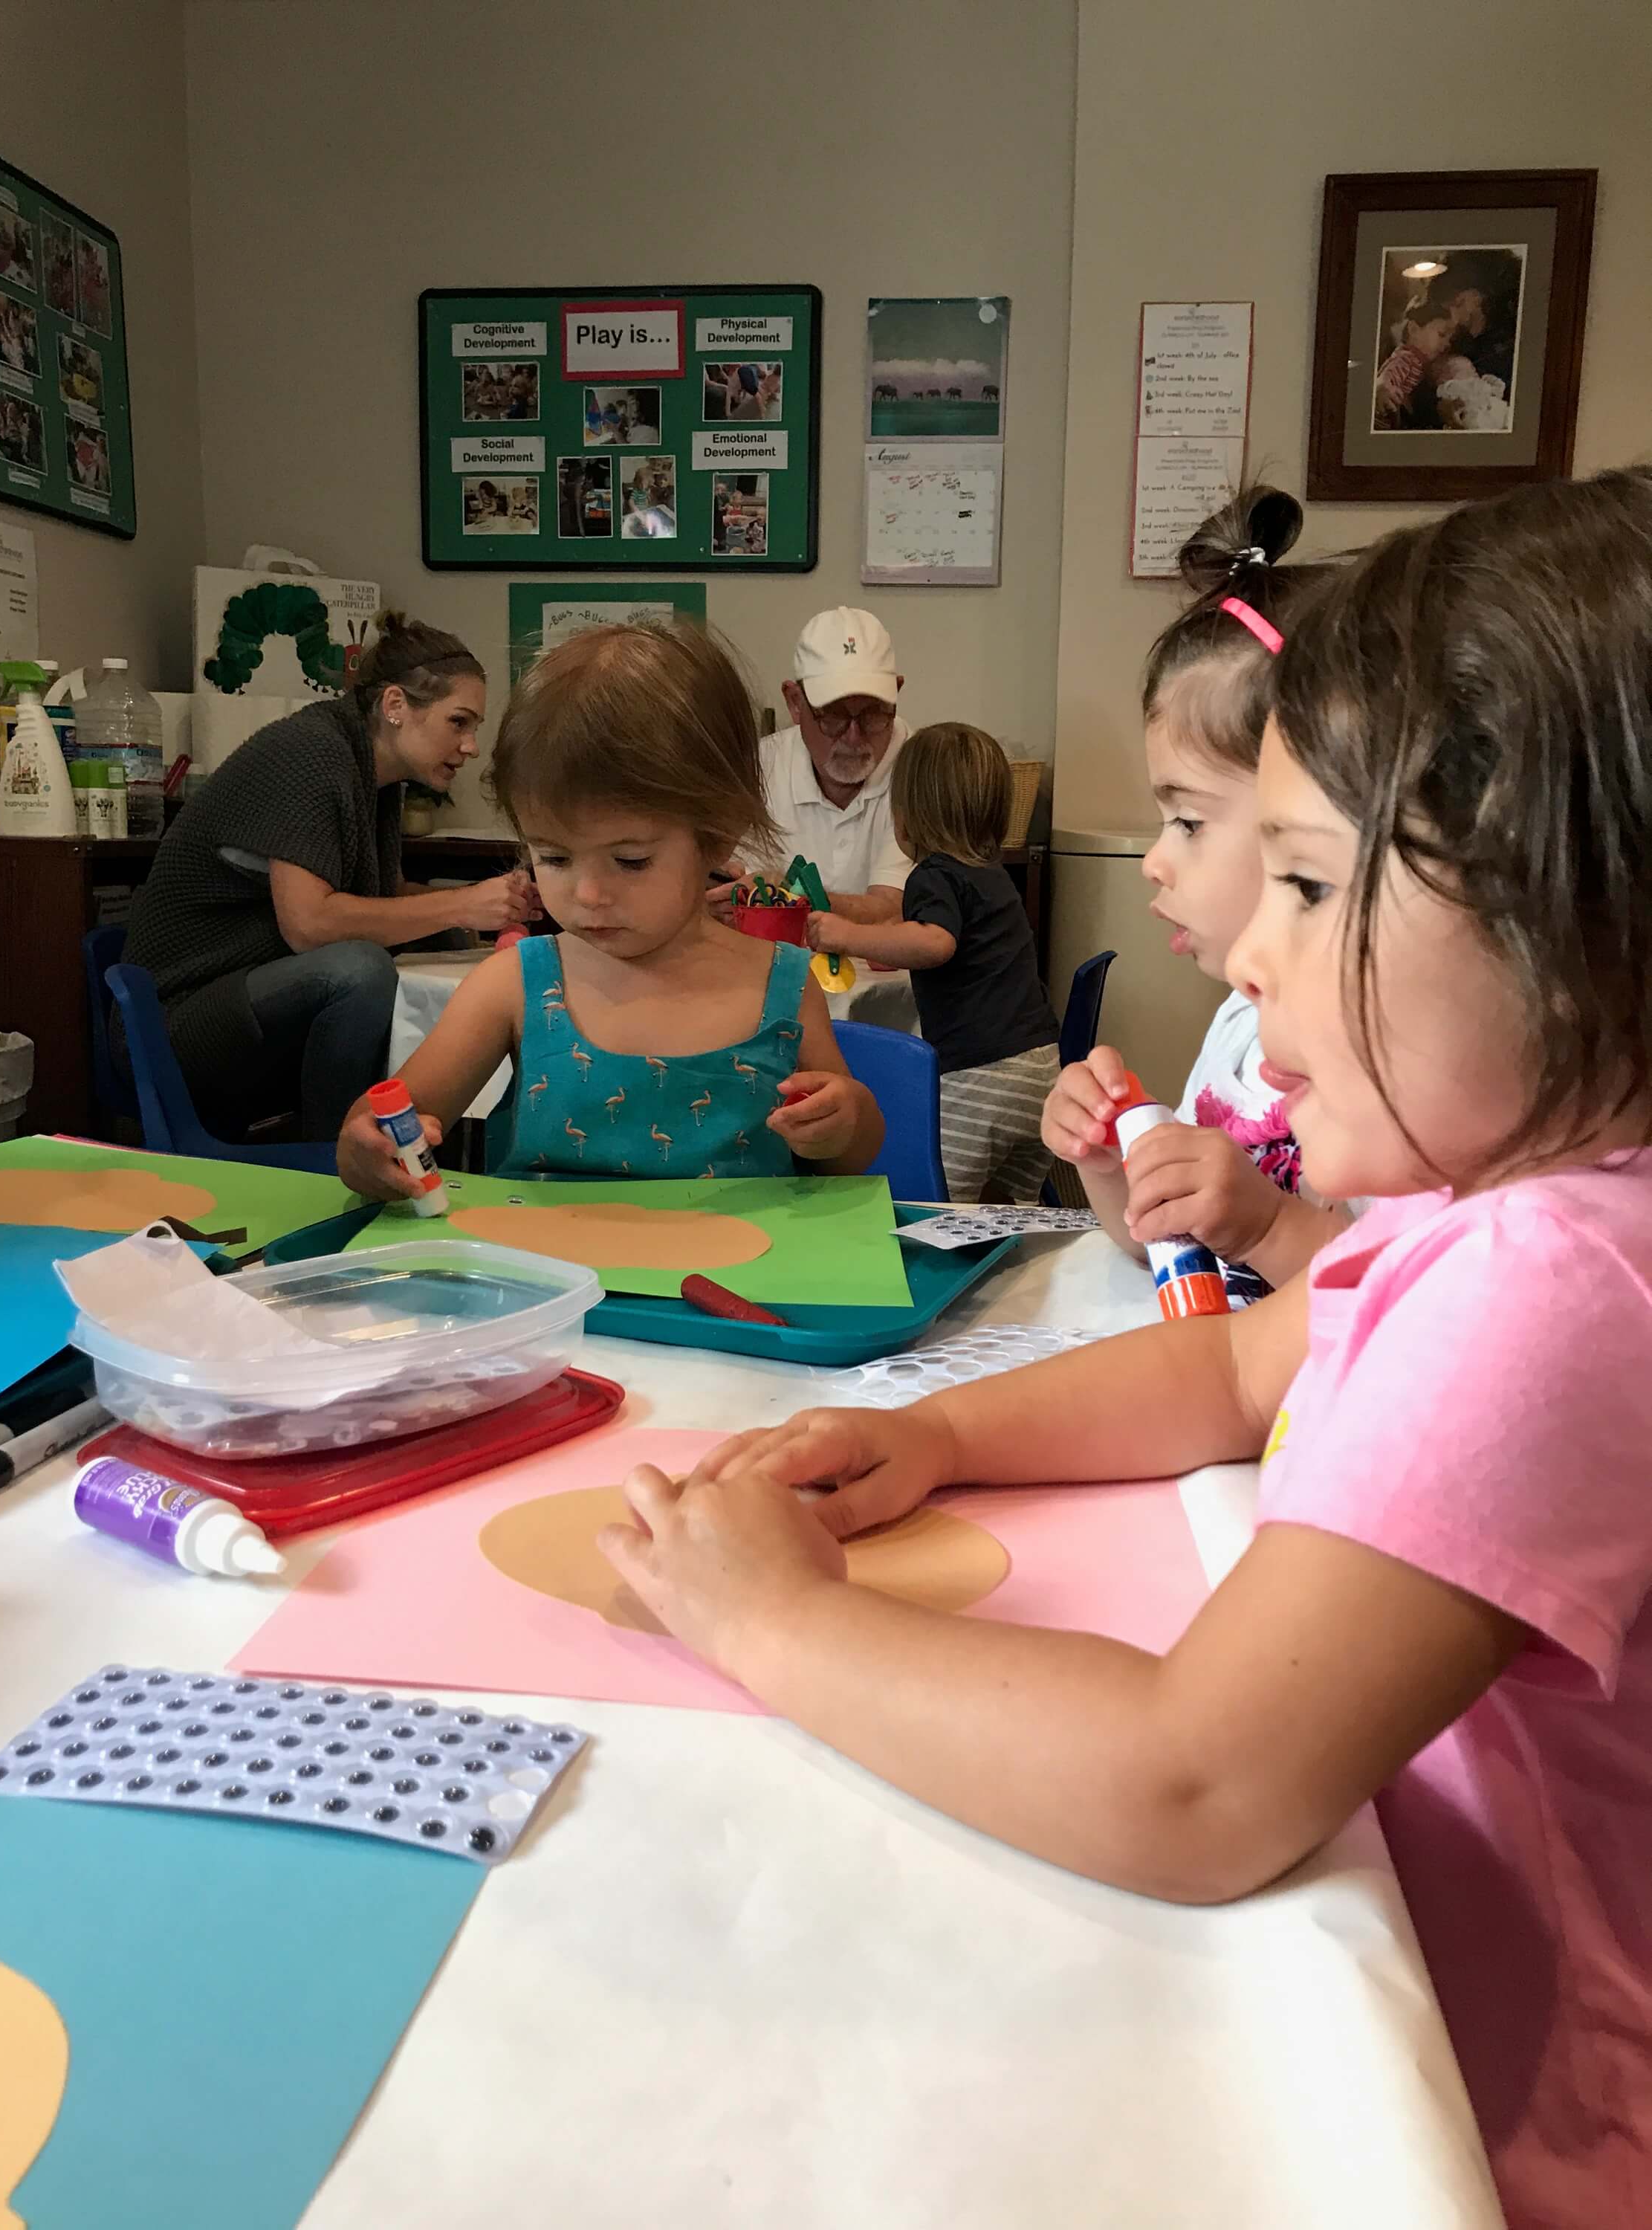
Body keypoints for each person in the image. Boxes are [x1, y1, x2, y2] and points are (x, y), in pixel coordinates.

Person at [592, 466, 1652, 2230]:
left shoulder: (1551, 1273)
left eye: (1306, 884)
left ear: (1577, 915)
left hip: (1479, 2136)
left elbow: (1193, 1778)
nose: (1242, 945)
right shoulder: (1485, 1211)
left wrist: (772, 1614)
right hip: (1384, 2010)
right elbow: (1236, 1372)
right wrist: (937, 1440)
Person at [337, 621, 883, 1195]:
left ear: (716, 839)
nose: (588, 895)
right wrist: (365, 1151)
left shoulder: (786, 985)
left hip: (740, 1278)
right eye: (553, 857)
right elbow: (386, 1128)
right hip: (553, 1277)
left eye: (630, 861)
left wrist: (842, 1123)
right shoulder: (514, 985)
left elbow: (849, 1163)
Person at [1044, 488, 1350, 1302]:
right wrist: (1115, 1166)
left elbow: (1409, 1307)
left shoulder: (1384, 1064)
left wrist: (1272, 1227)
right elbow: (1167, 1248)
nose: (1154, 859)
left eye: (1186, 819)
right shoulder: (1239, 1028)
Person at [121, 612, 531, 1140]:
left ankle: (427, 1139)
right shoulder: (311, 752)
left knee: (436, 936)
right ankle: (337, 1157)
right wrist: (462, 903)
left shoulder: (373, 774)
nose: (471, 746)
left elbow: (377, 904)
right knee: (357, 970)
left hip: (244, 1002)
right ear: (395, 706)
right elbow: (310, 924)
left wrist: (479, 906)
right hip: (178, 1023)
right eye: (459, 722)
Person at [809, 723, 1059, 1201]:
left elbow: (935, 943)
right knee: (1014, 1210)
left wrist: (849, 936)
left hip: (979, 1076)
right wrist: (887, 940)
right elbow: (949, 943)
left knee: (944, 1206)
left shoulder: (933, 874)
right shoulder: (993, 876)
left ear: (906, 818)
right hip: (1041, 1068)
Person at [713, 607, 913, 925]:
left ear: (897, 693)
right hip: (774, 969)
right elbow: (718, 876)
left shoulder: (923, 774)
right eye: (832, 715)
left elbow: (892, 909)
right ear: (795, 702)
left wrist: (787, 893)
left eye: (873, 713)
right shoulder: (760, 768)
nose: (853, 736)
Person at [1373, 303, 1457, 428]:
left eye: (1449, 340)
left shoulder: (1421, 362)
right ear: (1414, 330)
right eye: (1442, 334)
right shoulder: (1406, 358)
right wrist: (1382, 386)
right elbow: (1388, 376)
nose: (1447, 344)